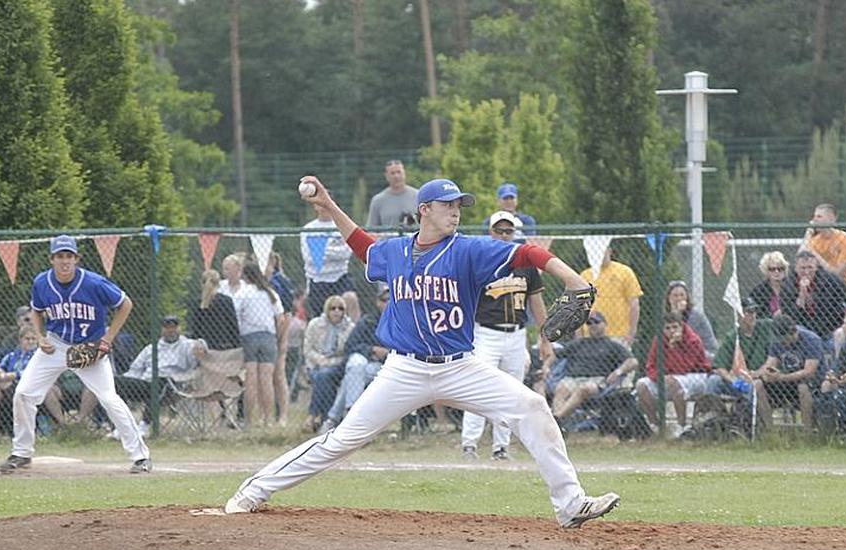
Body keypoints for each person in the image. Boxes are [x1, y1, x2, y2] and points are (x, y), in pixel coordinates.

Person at [224, 176, 620, 529]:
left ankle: (570, 504)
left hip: (460, 367)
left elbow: (528, 253)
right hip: (404, 370)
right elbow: (363, 245)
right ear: (424, 210)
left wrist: (570, 278)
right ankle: (254, 490)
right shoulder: (395, 252)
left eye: (459, 206)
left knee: (533, 407)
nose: (456, 213)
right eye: (448, 205)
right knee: (342, 439)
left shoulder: (468, 251)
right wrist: (329, 206)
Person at [0, 235, 151, 474]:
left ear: (77, 259)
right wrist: (40, 338)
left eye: (69, 256)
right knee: (24, 393)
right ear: (52, 259)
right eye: (60, 256)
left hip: (89, 350)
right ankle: (22, 452)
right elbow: (37, 312)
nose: (65, 261)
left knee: (109, 398)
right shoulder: (42, 283)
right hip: (56, 345)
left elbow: (126, 304)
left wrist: (107, 339)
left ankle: (141, 457)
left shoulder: (93, 283)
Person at [460, 211, 552, 461]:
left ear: (515, 233)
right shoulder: (479, 260)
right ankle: (469, 444)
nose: (503, 235)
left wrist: (544, 338)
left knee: (512, 392)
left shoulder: (526, 263)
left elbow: (536, 302)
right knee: (477, 389)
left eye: (508, 231)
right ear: (490, 232)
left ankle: (501, 447)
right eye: (498, 230)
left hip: (516, 335)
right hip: (486, 333)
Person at [117, 315, 208, 435]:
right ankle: (122, 427)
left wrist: (201, 346)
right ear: (161, 330)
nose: (171, 330)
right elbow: (135, 370)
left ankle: (144, 426)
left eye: (174, 327)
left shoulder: (187, 345)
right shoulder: (151, 348)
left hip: (171, 385)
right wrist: (126, 380)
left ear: (179, 328)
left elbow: (201, 349)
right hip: (145, 383)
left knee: (159, 381)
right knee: (116, 382)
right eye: (167, 327)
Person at [543, 311, 638, 423]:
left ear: (605, 324)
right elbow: (554, 355)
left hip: (597, 381)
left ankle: (557, 418)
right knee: (561, 389)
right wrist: (546, 366)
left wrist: (618, 372)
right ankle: (557, 423)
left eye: (596, 322)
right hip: (572, 379)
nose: (592, 325)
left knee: (584, 388)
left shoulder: (612, 345)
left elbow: (633, 361)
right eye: (589, 323)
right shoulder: (579, 343)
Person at [320, 287, 390, 432]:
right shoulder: (367, 321)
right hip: (363, 363)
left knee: (352, 376)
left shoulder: (402, 324)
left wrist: (387, 353)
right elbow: (351, 347)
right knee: (356, 365)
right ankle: (352, 417)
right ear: (377, 302)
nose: (387, 303)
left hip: (385, 368)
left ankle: (334, 419)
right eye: (384, 300)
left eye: (391, 300)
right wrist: (371, 350)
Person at [636, 312, 713, 438]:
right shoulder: (659, 340)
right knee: (641, 385)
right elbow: (650, 365)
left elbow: (684, 367)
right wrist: (659, 377)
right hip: (668, 377)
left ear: (681, 326)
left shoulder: (693, 340)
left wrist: (674, 347)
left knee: (674, 382)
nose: (672, 331)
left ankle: (681, 426)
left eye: (675, 327)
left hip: (696, 376)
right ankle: (656, 426)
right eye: (667, 328)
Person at [0, 326, 64, 437]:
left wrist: (5, 376)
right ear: (20, 340)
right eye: (27, 339)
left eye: (33, 339)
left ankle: (64, 427)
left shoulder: (40, 355)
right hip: (8, 389)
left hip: (30, 387)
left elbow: (31, 374)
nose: (30, 341)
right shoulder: (11, 356)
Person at [753, 314, 824, 431]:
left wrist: (781, 377)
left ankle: (807, 433)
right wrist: (760, 374)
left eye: (784, 339)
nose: (782, 343)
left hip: (809, 382)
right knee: (758, 385)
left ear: (792, 332)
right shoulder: (777, 341)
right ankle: (770, 431)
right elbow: (769, 364)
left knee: (802, 388)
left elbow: (809, 372)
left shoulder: (811, 340)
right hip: (786, 381)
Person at [239, 261, 287, 428]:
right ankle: (268, 419)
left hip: (249, 337)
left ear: (245, 276)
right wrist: (277, 337)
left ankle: (249, 421)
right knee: (266, 380)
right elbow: (281, 319)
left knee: (251, 380)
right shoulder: (270, 293)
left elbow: (238, 316)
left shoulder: (243, 292)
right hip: (268, 337)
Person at [302, 294, 354, 433]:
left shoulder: (350, 328)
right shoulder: (315, 324)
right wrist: (320, 360)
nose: (336, 311)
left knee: (324, 375)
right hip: (316, 364)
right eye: (333, 308)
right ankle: (325, 419)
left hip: (337, 366)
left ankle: (314, 415)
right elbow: (307, 349)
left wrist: (329, 362)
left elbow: (347, 354)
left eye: (340, 308)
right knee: (323, 377)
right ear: (327, 310)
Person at [301, 203, 360, 322]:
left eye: (326, 201)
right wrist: (334, 249)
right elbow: (309, 258)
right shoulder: (309, 229)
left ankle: (355, 334)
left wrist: (321, 248)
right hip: (317, 279)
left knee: (350, 298)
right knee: (320, 319)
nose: (323, 205)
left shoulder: (342, 225)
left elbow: (346, 253)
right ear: (315, 206)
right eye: (319, 203)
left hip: (340, 276)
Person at [578, 246, 642, 345]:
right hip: (591, 334)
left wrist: (631, 333)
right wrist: (579, 336)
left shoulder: (624, 272)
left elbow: (634, 304)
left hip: (619, 335)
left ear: (610, 251)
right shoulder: (585, 275)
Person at [782, 251, 846, 341]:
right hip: (801, 329)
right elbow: (789, 313)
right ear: (796, 268)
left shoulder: (830, 280)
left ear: (816, 267)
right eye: (802, 268)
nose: (806, 272)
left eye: (810, 267)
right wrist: (802, 294)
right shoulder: (788, 284)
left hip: (829, 327)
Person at [711, 297, 773, 392]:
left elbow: (774, 356)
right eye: (748, 312)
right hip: (740, 380)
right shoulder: (732, 337)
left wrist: (758, 373)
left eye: (754, 311)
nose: (752, 315)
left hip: (761, 378)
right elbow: (719, 367)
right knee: (713, 381)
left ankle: (746, 406)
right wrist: (733, 380)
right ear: (739, 314)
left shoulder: (766, 326)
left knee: (756, 385)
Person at [265, 252, 294, 427]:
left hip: (279, 332)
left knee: (278, 375)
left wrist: (282, 340)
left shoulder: (281, 282)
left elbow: (287, 313)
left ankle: (283, 416)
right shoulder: (255, 283)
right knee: (265, 377)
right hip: (263, 333)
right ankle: (265, 416)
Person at [798, 203, 846, 285]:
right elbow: (799, 260)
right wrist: (808, 233)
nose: (814, 220)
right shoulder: (814, 240)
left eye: (819, 216)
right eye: (814, 216)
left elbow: (837, 274)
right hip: (821, 285)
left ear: (831, 219)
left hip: (844, 285)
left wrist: (815, 255)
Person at [189, 269, 241, 351]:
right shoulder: (226, 300)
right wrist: (237, 344)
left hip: (205, 347)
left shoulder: (198, 303)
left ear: (201, 284)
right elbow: (232, 325)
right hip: (224, 345)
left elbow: (195, 328)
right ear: (218, 283)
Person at [664, 280, 718, 359]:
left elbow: (683, 337)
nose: (679, 298)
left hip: (704, 353)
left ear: (687, 298)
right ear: (669, 298)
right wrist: (674, 313)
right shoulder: (667, 316)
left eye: (682, 295)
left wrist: (678, 313)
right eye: (675, 296)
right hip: (679, 355)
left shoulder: (695, 316)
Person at [366, 159, 419, 228]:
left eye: (399, 172)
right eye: (392, 173)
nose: (396, 176)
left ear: (404, 173)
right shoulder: (378, 200)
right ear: (386, 176)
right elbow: (372, 228)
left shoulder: (418, 196)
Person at [749, 251, 791, 318]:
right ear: (766, 271)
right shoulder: (759, 291)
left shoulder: (791, 288)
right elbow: (757, 313)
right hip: (768, 325)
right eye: (772, 269)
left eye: (780, 269)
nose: (776, 272)